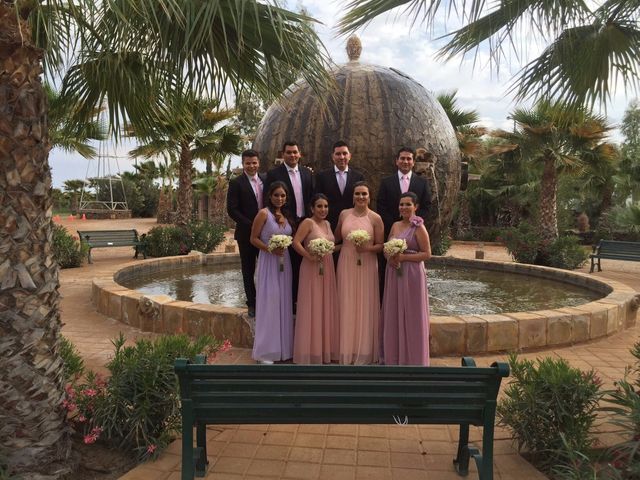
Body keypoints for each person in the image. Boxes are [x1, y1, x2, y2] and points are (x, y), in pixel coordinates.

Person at [335, 181, 384, 365]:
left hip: (367, 263)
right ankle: (345, 348)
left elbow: (380, 245)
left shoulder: (375, 218)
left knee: (365, 302)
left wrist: (366, 248)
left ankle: (363, 349)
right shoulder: (344, 214)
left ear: (370, 196)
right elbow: (336, 236)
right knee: (346, 301)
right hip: (346, 261)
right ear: (353, 196)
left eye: (364, 194)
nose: (361, 197)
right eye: (357, 194)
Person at [380, 192, 432, 366]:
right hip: (394, 273)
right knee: (393, 312)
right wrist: (390, 256)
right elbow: (387, 247)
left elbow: (427, 254)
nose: (404, 208)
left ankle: (414, 358)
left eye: (408, 204)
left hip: (412, 275)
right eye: (401, 204)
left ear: (415, 207)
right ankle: (394, 356)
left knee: (412, 314)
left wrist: (404, 258)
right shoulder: (394, 225)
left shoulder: (418, 227)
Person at [376, 147, 431, 298]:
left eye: (408, 159)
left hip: (414, 233)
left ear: (413, 162)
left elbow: (426, 206)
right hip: (393, 231)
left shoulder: (422, 183)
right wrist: (398, 224)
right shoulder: (387, 182)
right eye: (402, 158)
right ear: (396, 161)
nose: (405, 161)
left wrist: (413, 223)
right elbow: (381, 205)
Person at [250, 181, 294, 364]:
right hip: (269, 262)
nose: (280, 198)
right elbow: (252, 238)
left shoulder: (286, 215)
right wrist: (270, 249)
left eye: (283, 195)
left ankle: (284, 349)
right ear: (270, 196)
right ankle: (266, 351)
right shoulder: (263, 214)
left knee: (284, 302)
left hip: (285, 263)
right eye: (276, 195)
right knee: (270, 302)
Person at [292, 194, 340, 364]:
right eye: (319, 206)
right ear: (312, 208)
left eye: (325, 206)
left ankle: (324, 349)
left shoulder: (327, 224)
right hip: (311, 267)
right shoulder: (307, 223)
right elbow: (296, 242)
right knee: (311, 305)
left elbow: (332, 246)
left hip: (327, 267)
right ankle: (309, 351)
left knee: (325, 305)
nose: (323, 209)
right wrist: (308, 256)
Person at [264, 141, 314, 304]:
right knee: (287, 262)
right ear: (283, 154)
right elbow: (268, 199)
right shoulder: (273, 174)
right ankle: (288, 301)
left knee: (303, 263)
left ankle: (303, 299)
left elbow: (312, 197)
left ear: (300, 154)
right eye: (289, 152)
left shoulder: (308, 173)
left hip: (305, 223)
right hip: (285, 223)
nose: (292, 155)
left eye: (295, 152)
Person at [226, 149, 264, 317]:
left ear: (258, 163)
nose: (251, 166)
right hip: (246, 234)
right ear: (243, 164)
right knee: (248, 270)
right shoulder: (236, 183)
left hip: (265, 234)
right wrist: (253, 225)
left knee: (265, 269)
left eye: (254, 162)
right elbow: (232, 210)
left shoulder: (266, 180)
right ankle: (252, 303)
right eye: (248, 163)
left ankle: (265, 300)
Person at [314, 140, 365, 231]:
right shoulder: (322, 176)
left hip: (352, 222)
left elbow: (363, 200)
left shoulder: (358, 177)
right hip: (328, 223)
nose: (341, 157)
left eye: (345, 153)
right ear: (333, 157)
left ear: (349, 156)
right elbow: (317, 201)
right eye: (338, 154)